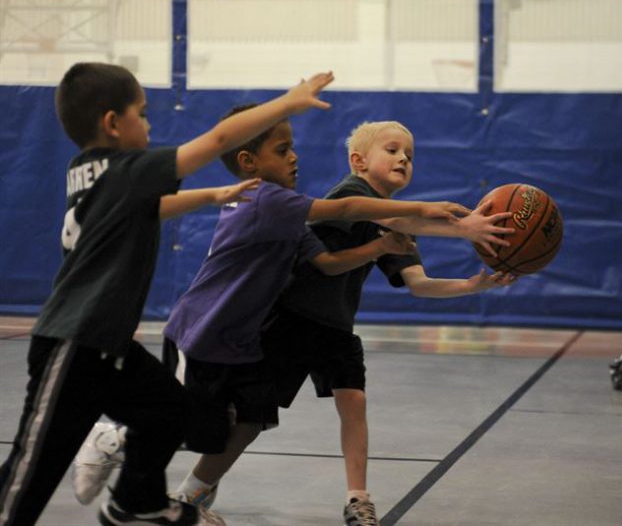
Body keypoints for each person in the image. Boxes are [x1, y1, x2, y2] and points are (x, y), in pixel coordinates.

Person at [71, 104, 473, 516]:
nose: (294, 156)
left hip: (247, 338)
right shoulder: (287, 198)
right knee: (187, 420)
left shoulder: (292, 212)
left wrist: (459, 274)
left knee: (241, 422)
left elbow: (332, 264)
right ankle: (116, 438)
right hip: (206, 329)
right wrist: (441, 216)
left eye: (410, 153)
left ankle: (190, 496)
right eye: (283, 150)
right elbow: (350, 212)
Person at [0, 62, 334, 526]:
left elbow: (151, 208)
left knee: (168, 413)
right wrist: (287, 102)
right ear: (113, 124)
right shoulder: (128, 167)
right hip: (72, 344)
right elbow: (218, 140)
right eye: (143, 112)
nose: (150, 123)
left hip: (109, 348)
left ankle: (134, 503)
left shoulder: (87, 171)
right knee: (30, 475)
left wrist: (212, 195)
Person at [177, 120, 517, 525]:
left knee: (354, 401)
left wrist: (474, 284)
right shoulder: (352, 193)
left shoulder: (395, 222)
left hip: (335, 328)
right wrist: (463, 228)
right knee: (251, 420)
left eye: (409, 153)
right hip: (289, 321)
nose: (403, 158)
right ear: (358, 161)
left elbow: (419, 284)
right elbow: (357, 240)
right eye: (392, 150)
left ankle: (358, 499)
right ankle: (191, 491)